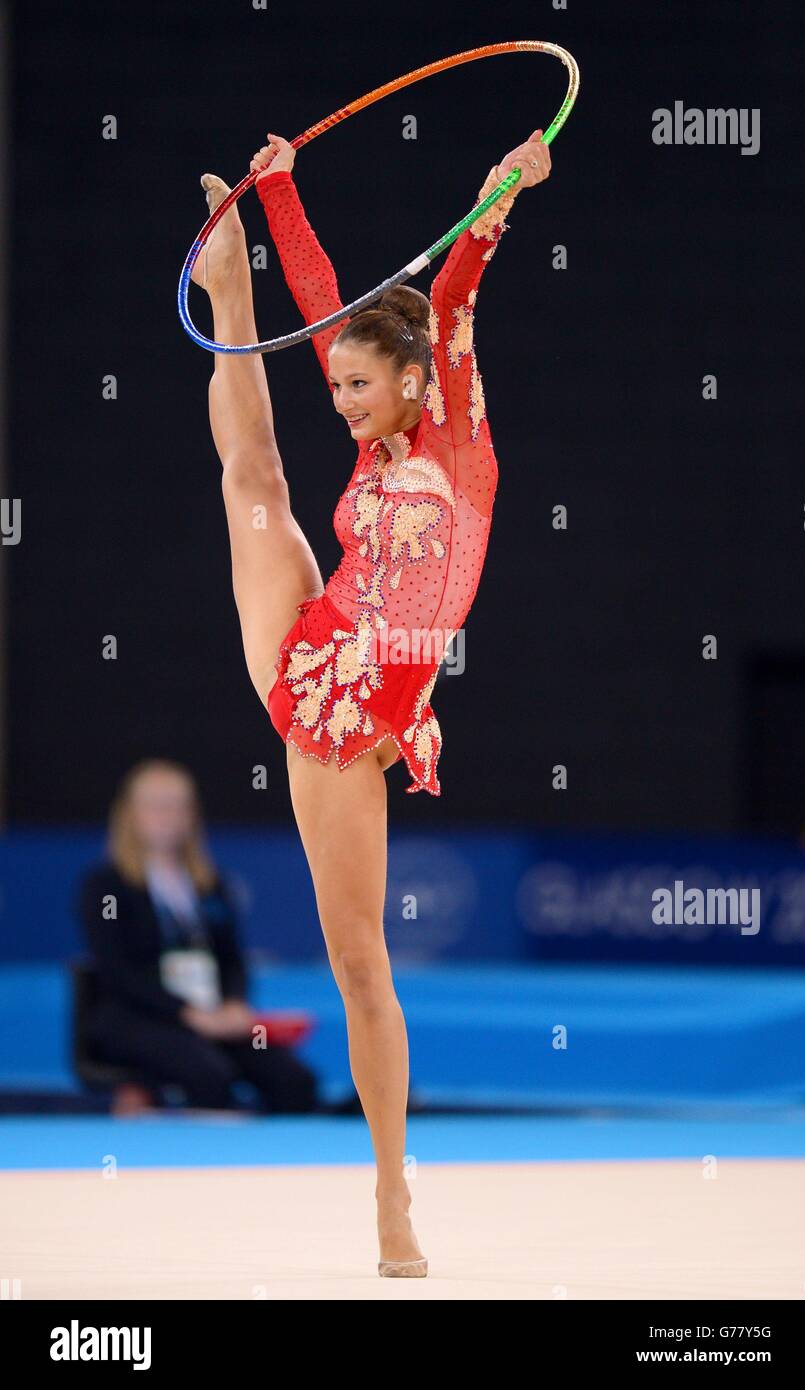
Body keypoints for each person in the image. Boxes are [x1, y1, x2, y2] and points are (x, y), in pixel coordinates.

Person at [190, 130, 552, 1274]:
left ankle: (391, 1189)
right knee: (253, 475)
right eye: (336, 382)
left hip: (372, 709)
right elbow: (325, 303)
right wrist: (282, 184)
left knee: (360, 963)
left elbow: (454, 281)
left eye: (358, 383)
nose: (343, 401)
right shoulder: (368, 415)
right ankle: (226, 281)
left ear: (410, 374)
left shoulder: (446, 408)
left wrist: (501, 189)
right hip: (316, 664)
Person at [78, 759, 318, 1113]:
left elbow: (231, 959)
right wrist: (187, 1014)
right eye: (157, 806)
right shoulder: (106, 886)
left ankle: (281, 1163)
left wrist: (234, 1003)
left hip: (210, 1015)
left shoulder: (210, 885)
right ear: (130, 814)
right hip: (137, 1018)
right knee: (208, 1074)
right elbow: (119, 972)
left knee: (292, 1080)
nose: (169, 816)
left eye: (179, 806)